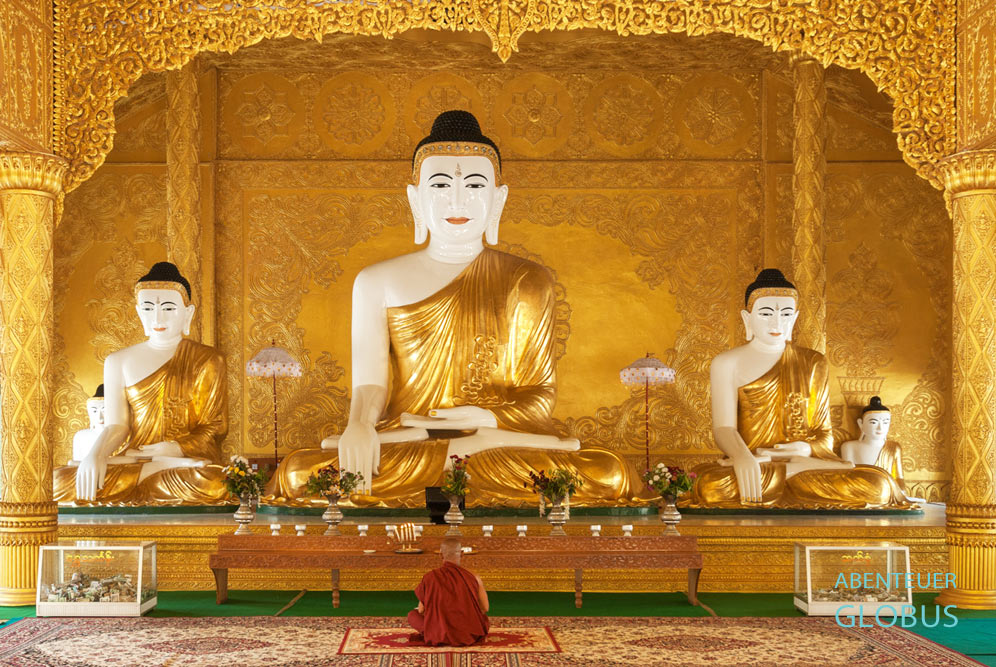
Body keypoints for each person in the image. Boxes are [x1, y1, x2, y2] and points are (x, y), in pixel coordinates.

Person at [264, 110, 650, 507]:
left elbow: (539, 394)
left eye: (475, 184)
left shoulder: (528, 280)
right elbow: (371, 384)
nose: (458, 199)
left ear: (498, 198)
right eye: (441, 184)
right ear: (415, 198)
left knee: (610, 473)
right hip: (410, 440)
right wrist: (360, 426)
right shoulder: (376, 281)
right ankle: (454, 464)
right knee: (298, 472)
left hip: (497, 443)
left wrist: (487, 419)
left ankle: (458, 461)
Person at [681, 269, 913, 509]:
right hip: (753, 464)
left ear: (794, 318)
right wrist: (742, 457)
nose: (777, 322)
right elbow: (724, 428)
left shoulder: (813, 362)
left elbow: (824, 434)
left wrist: (805, 448)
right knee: (709, 485)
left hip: (805, 466)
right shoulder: (726, 363)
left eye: (785, 314)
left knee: (878, 486)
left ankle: (790, 472)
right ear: (747, 318)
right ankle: (786, 474)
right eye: (766, 313)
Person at [53, 261, 229, 505]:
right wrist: (96, 454)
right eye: (148, 308)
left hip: (182, 463)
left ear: (187, 313)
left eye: (168, 308)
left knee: (213, 483)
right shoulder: (118, 360)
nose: (157, 317)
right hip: (135, 459)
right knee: (58, 481)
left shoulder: (208, 359)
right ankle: (148, 477)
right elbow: (117, 426)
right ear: (138, 312)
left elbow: (215, 427)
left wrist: (176, 448)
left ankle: (146, 479)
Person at [408, 538, 489, 646]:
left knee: (412, 615)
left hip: (438, 632)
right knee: (483, 620)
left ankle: (436, 634)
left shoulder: (430, 577)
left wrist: (439, 616)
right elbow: (485, 608)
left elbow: (421, 610)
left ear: (440, 555)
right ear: (462, 553)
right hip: (468, 634)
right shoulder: (474, 576)